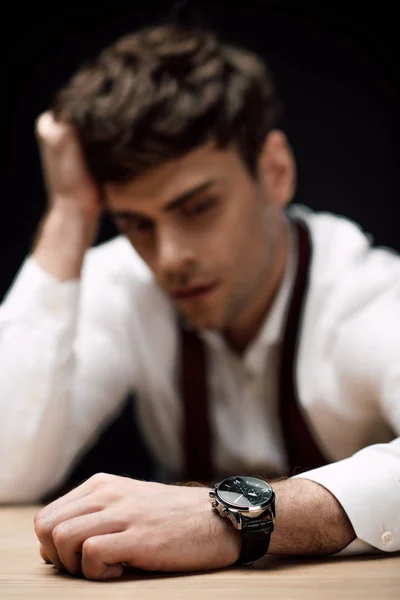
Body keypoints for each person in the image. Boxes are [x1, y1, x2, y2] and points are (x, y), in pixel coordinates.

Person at [0, 22, 399, 581]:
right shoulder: (123, 282)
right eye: (136, 223)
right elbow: (6, 470)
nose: (168, 258)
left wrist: (234, 517)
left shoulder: (366, 295)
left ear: (276, 171)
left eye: (198, 207)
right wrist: (70, 214)